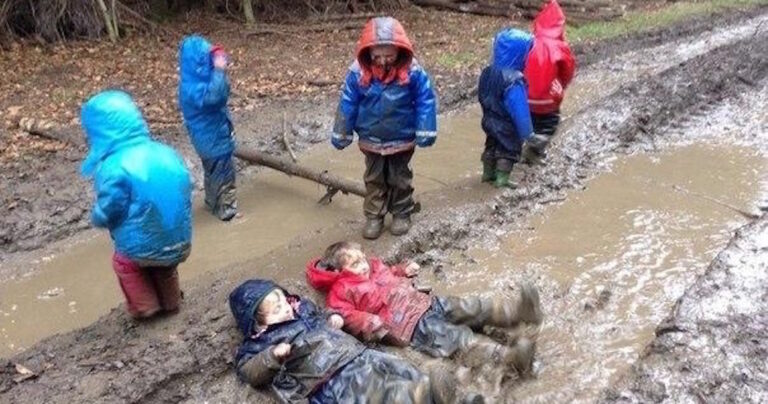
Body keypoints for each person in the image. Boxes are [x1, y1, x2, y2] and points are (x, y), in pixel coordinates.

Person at [306, 241, 542, 373]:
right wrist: (368, 322)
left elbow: (390, 272)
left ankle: (516, 312)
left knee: (469, 306)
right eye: (355, 264)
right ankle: (507, 357)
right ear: (338, 271)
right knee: (453, 338)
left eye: (362, 259)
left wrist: (403, 269)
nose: (364, 265)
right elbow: (344, 313)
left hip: (425, 301)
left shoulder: (375, 266)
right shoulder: (341, 290)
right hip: (410, 324)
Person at [229, 279, 478, 403]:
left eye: (282, 301)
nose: (285, 309)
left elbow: (323, 314)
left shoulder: (301, 308)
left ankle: (435, 391)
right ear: (257, 323)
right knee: (378, 392)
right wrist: (272, 355)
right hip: (329, 377)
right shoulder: (260, 342)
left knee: (401, 369)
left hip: (357, 353)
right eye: (275, 310)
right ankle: (422, 394)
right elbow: (249, 371)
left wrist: (334, 317)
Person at [80, 90, 192, 319]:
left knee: (126, 264)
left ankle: (145, 306)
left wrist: (98, 217)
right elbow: (186, 186)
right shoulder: (166, 152)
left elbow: (111, 206)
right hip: (180, 240)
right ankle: (171, 302)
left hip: (141, 247)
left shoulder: (113, 165)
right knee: (164, 267)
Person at [332, 17, 438, 239]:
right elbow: (348, 102)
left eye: (389, 55)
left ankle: (401, 212)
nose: (383, 61)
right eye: (377, 56)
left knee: (400, 177)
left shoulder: (413, 72)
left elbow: (425, 100)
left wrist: (425, 130)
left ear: (400, 51)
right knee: (374, 179)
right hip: (371, 137)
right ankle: (374, 216)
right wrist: (342, 131)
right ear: (367, 52)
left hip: (402, 137)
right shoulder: (357, 73)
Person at [178, 35, 237, 221]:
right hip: (213, 141)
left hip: (210, 139)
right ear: (198, 64)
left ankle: (212, 204)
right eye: (208, 58)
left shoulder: (196, 81)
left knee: (213, 173)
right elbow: (216, 98)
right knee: (224, 177)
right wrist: (219, 71)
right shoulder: (191, 88)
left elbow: (223, 91)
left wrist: (219, 70)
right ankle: (227, 213)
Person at [478, 28, 534, 188]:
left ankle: (487, 174)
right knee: (508, 149)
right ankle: (502, 180)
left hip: (488, 118)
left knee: (491, 145)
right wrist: (527, 132)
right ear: (519, 54)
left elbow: (482, 96)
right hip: (506, 123)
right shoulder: (514, 80)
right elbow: (520, 109)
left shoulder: (487, 72)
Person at [522, 0, 576, 165]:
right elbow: (568, 71)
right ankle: (534, 150)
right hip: (548, 99)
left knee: (530, 121)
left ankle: (527, 143)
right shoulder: (560, 46)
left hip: (525, 96)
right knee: (549, 124)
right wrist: (561, 85)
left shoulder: (529, 42)